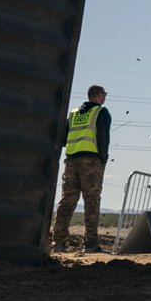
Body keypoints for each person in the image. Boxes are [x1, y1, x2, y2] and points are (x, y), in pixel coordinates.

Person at [51, 85, 111, 253]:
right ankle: (91, 244)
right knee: (91, 202)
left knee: (67, 201)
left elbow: (64, 139)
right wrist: (103, 160)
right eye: (104, 94)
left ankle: (58, 243)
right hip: (91, 162)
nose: (105, 97)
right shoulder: (101, 112)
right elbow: (103, 138)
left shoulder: (73, 113)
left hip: (71, 161)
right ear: (98, 96)